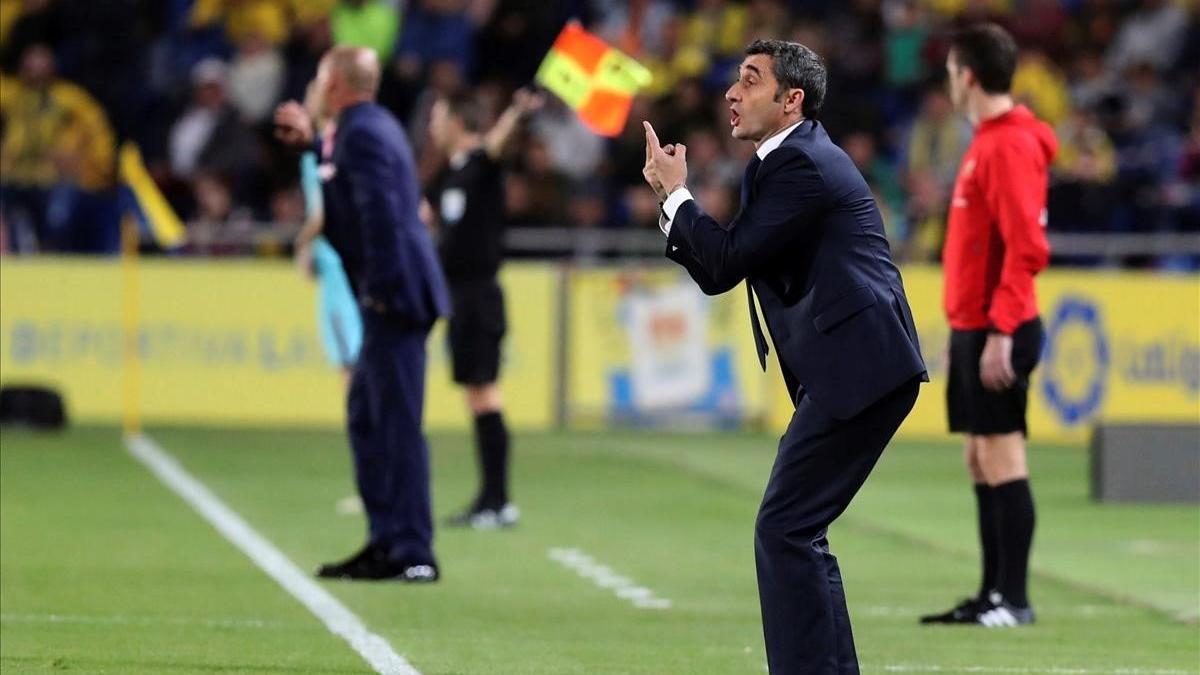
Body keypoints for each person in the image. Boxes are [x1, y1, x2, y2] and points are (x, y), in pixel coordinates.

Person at [642, 39, 927, 674]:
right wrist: (675, 202)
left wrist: (677, 196)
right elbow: (725, 266)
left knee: (785, 528)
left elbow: (721, 262)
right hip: (858, 366)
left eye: (749, 81)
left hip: (862, 366)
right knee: (798, 529)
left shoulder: (799, 165)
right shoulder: (785, 162)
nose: (731, 94)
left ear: (790, 100)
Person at [274, 46, 451, 582]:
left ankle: (413, 550)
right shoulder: (360, 129)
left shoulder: (364, 133)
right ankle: (385, 540)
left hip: (395, 297)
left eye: (318, 77)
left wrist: (380, 289)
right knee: (369, 418)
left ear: (334, 86)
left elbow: (380, 216)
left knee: (394, 422)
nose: (310, 86)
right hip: (388, 294)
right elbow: (354, 198)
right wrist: (310, 143)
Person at [920, 23, 1056, 628]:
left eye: (951, 71)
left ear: (968, 75)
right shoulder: (989, 140)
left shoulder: (1006, 146)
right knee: (980, 457)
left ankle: (1014, 600)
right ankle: (990, 594)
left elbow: (1026, 247)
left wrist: (1000, 331)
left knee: (1003, 457)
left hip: (1000, 327)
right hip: (975, 324)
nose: (949, 81)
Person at [423, 87, 544, 529]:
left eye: (438, 116)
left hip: (479, 296)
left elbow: (495, 145)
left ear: (457, 121)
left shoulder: (480, 165)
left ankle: (498, 501)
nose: (432, 126)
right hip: (458, 296)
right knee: (477, 395)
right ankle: (490, 499)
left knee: (485, 392)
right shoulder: (450, 175)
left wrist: (515, 111)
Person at [293, 81, 362, 383]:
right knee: (353, 360)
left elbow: (322, 213)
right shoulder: (326, 146)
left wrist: (301, 246)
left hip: (338, 263)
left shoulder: (326, 149)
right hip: (338, 260)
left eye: (312, 94)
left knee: (351, 362)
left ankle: (365, 430)